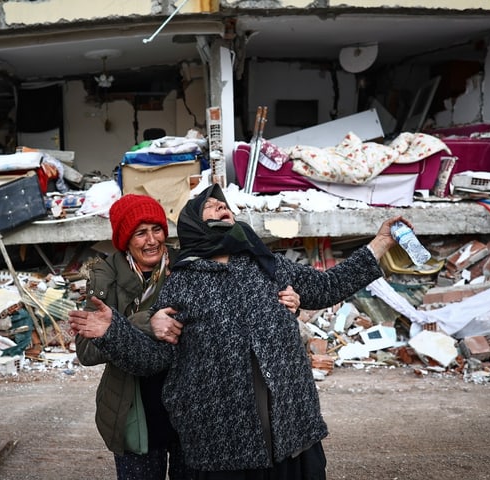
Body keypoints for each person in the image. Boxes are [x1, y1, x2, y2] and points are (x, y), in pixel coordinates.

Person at [70, 184, 404, 479]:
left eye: (225, 206)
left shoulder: (269, 266)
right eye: (211, 206)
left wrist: (381, 242)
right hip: (225, 443)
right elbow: (156, 358)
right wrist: (116, 331)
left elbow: (329, 285)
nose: (222, 207)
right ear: (194, 224)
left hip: (289, 431)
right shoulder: (183, 282)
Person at [74, 192, 301, 480]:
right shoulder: (105, 279)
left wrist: (286, 300)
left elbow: (241, 301)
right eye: (140, 233)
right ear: (125, 240)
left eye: (157, 229)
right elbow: (86, 350)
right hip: (137, 410)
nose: (152, 240)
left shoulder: (191, 263)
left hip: (193, 408)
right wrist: (144, 322)